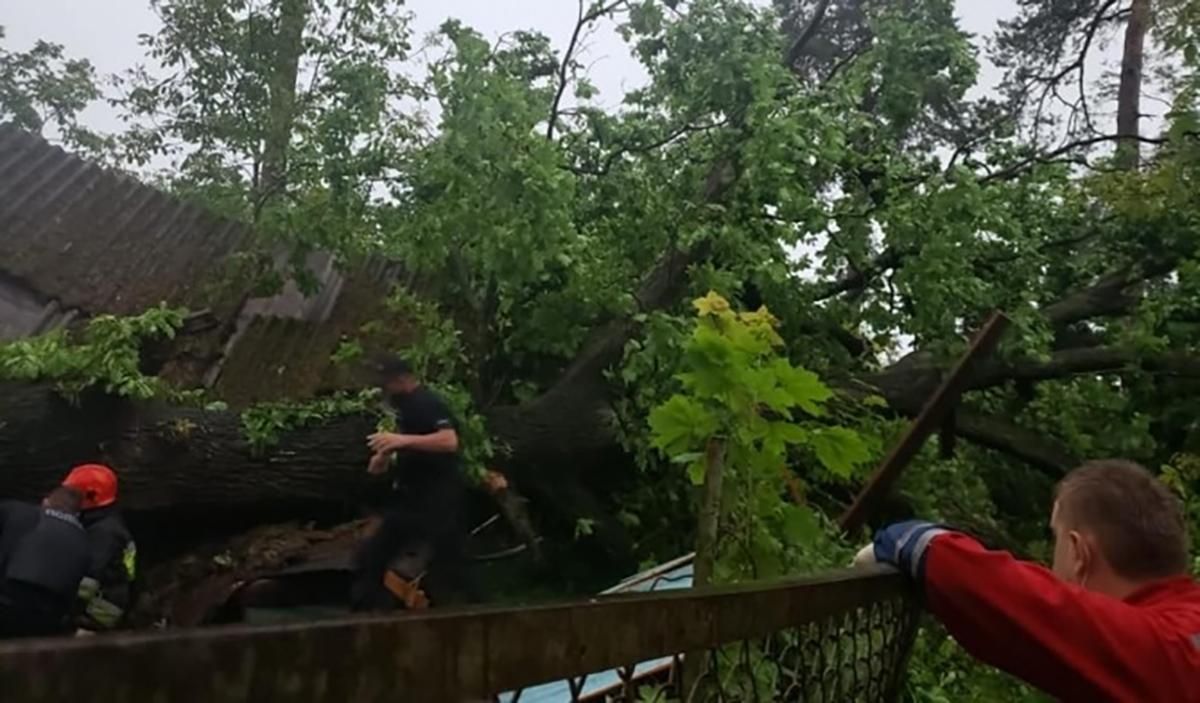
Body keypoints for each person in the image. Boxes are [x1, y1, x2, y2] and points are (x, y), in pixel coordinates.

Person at [855, 459, 1200, 701]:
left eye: (1056, 539)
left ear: (1079, 553)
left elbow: (1001, 592)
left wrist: (900, 539)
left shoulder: (1164, 653)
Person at [352, 355, 473, 610]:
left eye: (389, 384)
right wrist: (384, 456)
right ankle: (370, 608)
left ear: (403, 380)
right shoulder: (405, 411)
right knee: (371, 555)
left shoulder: (426, 403)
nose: (386, 390)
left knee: (445, 563)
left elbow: (449, 441)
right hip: (413, 499)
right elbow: (413, 449)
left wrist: (400, 441)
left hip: (436, 502)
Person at [0, 486, 93, 639]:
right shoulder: (85, 541)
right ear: (77, 515)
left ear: (45, 502)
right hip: (50, 616)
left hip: (9, 596)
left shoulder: (19, 511)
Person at [61, 464, 137, 632]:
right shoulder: (99, 521)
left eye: (71, 493)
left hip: (98, 611)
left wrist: (64, 609)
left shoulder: (105, 533)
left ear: (92, 496)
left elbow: (88, 580)